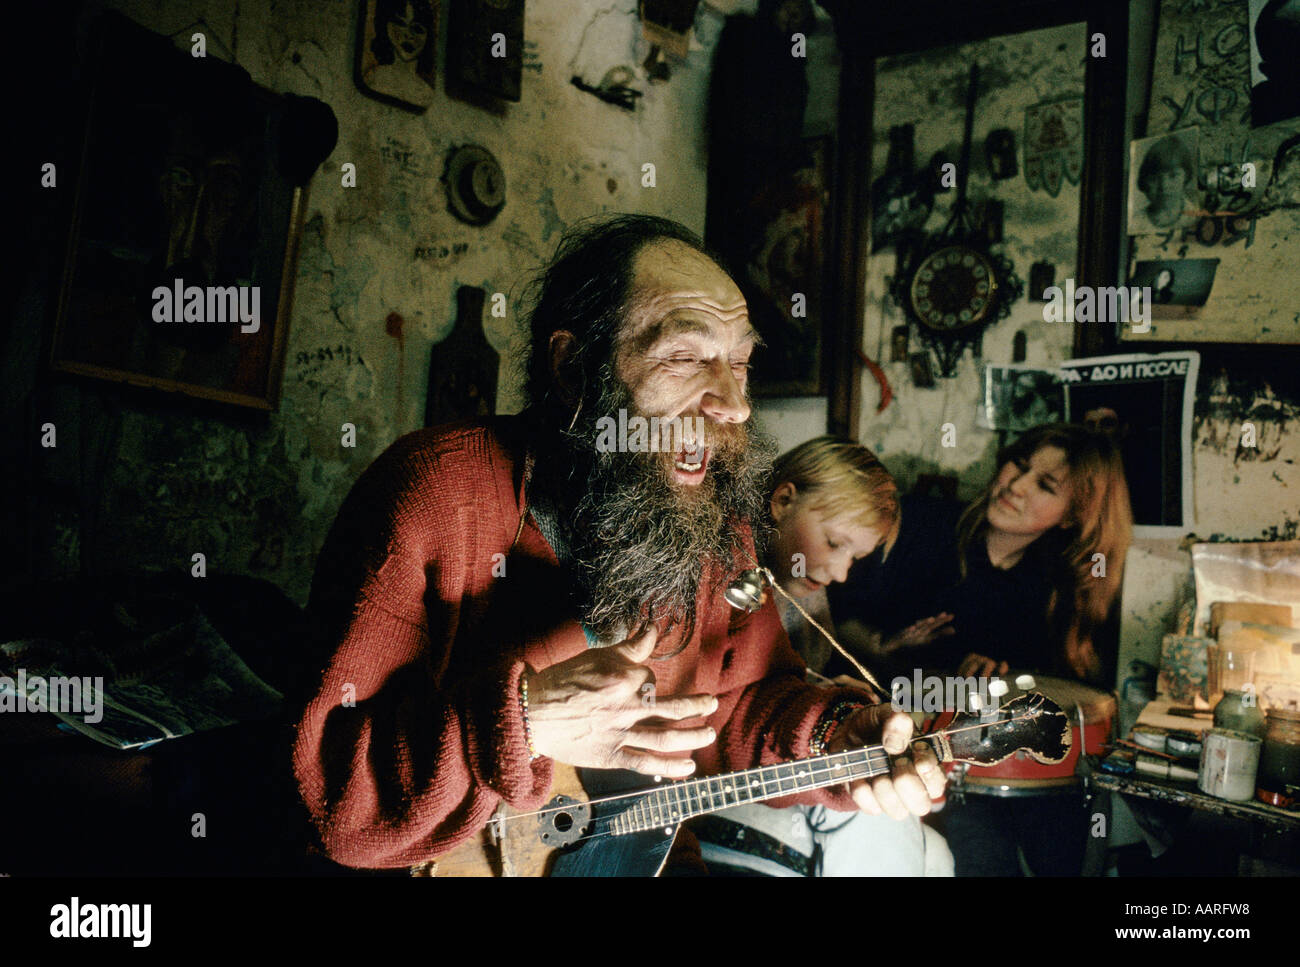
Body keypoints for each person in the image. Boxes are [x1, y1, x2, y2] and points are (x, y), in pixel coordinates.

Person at [291, 215, 944, 872]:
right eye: (686, 357)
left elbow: (739, 706)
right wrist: (524, 720)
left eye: (740, 363)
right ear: (574, 368)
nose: (735, 404)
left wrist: (834, 736)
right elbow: (335, 804)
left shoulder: (715, 522)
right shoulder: (432, 492)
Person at [828, 423, 1133, 874]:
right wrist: (882, 644)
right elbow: (832, 616)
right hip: (898, 739)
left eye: (1045, 485)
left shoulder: (1055, 588)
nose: (1016, 486)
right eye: (1020, 466)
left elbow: (1057, 694)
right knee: (981, 854)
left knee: (1067, 834)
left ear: (1070, 516)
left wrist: (1006, 677)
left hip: (993, 758)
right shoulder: (919, 524)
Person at [691, 436, 955, 876]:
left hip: (769, 760)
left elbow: (798, 680)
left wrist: (834, 697)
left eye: (856, 557)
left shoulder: (803, 586)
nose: (839, 572)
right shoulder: (726, 577)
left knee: (939, 855)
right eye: (835, 543)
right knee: (877, 821)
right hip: (705, 783)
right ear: (783, 500)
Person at [1136, 135, 1195, 230]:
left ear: (1186, 176)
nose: (1164, 186)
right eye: (1154, 179)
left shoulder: (1196, 217)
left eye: (1173, 176)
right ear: (1145, 181)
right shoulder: (1137, 222)